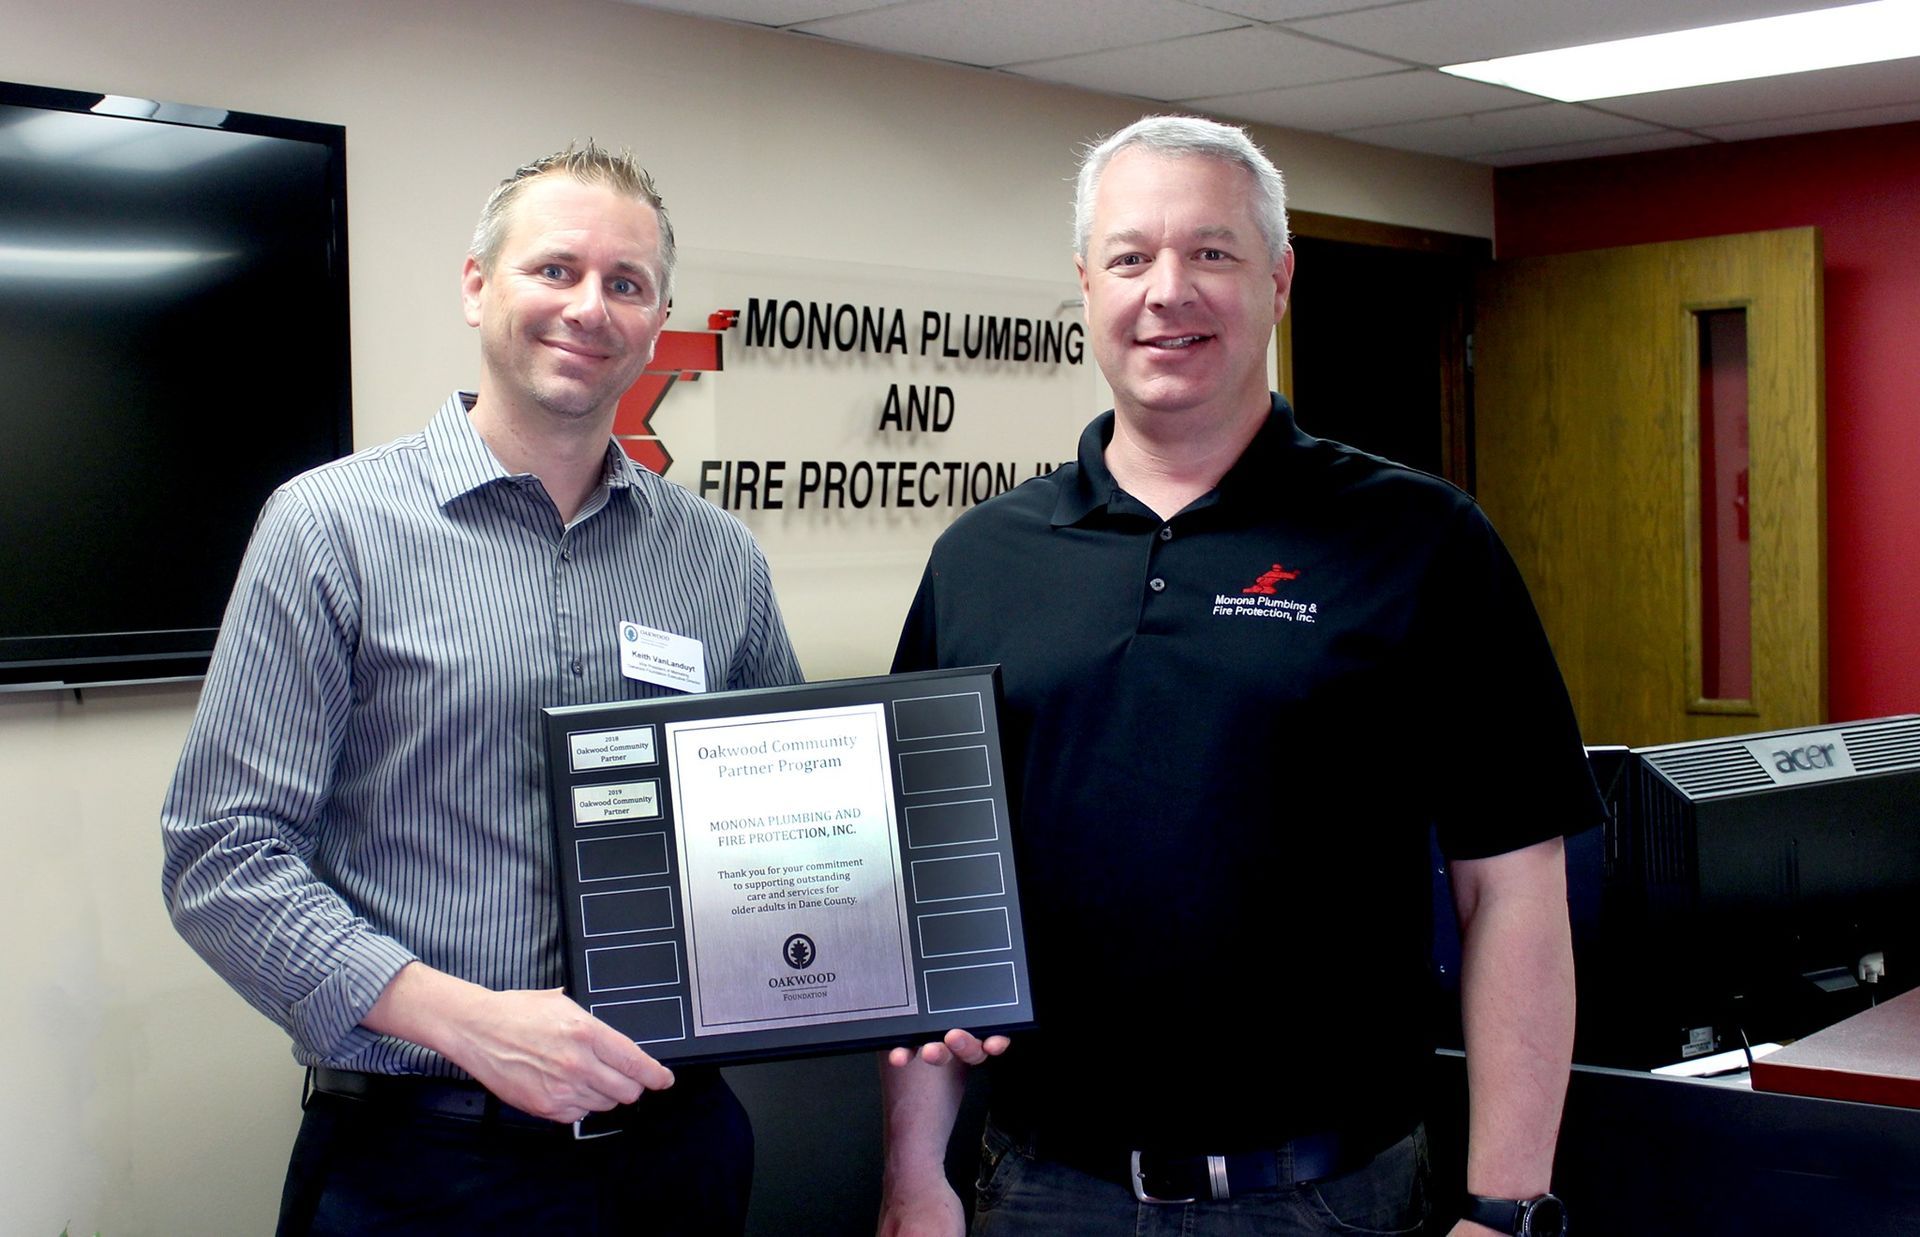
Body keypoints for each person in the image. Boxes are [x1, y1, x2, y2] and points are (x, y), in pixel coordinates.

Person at [875, 116, 1600, 1237]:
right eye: (1131, 257)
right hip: (1041, 1189)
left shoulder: (1422, 541)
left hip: (1329, 1196)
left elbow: (1512, 883)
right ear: (1086, 285)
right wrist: (914, 1173)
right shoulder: (979, 561)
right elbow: (932, 892)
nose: (1168, 291)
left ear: (1279, 278)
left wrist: (1505, 1204)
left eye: (1211, 253)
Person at [162, 142, 803, 1235]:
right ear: (477, 286)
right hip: (420, 1161)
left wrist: (903, 962)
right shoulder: (332, 528)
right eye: (554, 269)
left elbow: (772, 828)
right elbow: (222, 856)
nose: (589, 307)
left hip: (674, 1154)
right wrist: (464, 1021)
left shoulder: (718, 559)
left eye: (626, 284)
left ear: (658, 324)